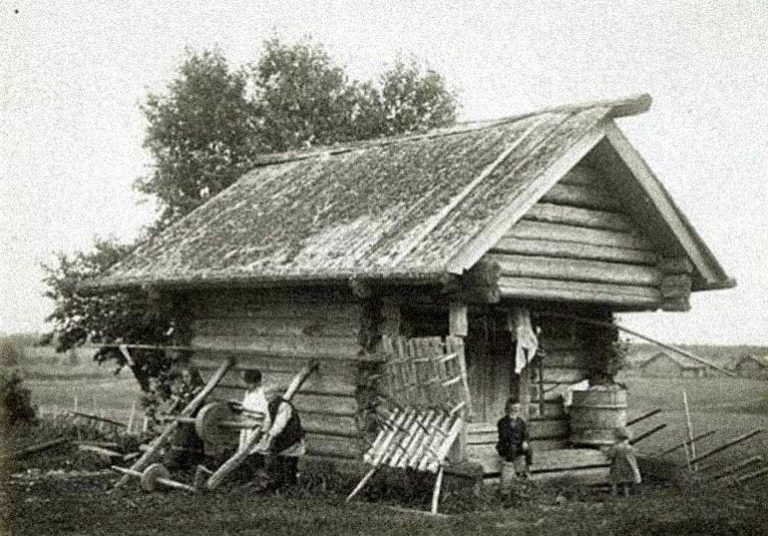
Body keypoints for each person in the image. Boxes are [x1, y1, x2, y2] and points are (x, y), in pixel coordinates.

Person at [258, 393, 306, 491]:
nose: (267, 397)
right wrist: (263, 431)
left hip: (291, 437)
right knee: (277, 461)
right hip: (281, 439)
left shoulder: (284, 406)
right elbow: (268, 421)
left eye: (268, 395)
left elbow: (280, 424)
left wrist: (270, 435)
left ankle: (290, 486)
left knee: (289, 462)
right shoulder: (270, 405)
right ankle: (277, 484)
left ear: (274, 395)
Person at [237, 368, 270, 479]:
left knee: (255, 453)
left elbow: (263, 413)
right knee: (245, 452)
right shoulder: (248, 393)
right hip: (247, 425)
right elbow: (247, 406)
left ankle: (260, 477)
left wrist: (247, 412)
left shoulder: (261, 394)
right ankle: (251, 476)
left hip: (256, 427)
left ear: (256, 382)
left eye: (250, 383)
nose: (247, 385)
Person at [496, 399, 533, 478]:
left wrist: (525, 441)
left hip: (518, 445)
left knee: (529, 449)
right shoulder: (502, 422)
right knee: (512, 448)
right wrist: (516, 442)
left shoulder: (521, 422)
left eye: (517, 409)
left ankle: (527, 469)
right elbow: (504, 437)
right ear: (508, 409)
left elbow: (526, 434)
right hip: (506, 445)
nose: (515, 411)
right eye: (513, 409)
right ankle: (513, 472)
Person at [604, 427, 642, 497]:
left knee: (614, 481)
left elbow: (610, 455)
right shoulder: (630, 447)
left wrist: (607, 456)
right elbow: (634, 457)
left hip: (617, 466)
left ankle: (613, 494)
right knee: (625, 482)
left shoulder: (615, 447)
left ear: (617, 438)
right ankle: (626, 494)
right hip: (628, 466)